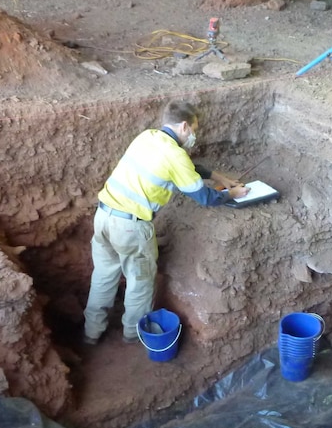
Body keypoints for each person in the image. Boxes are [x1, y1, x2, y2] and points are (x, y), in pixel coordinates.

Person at [82, 99, 249, 345]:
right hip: (131, 227)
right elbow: (204, 197)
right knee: (140, 282)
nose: (194, 135)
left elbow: (187, 167)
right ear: (184, 126)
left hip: (104, 217)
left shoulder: (147, 137)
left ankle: (91, 332)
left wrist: (219, 176)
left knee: (103, 277)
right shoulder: (175, 154)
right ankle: (132, 334)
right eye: (194, 129)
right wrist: (231, 194)